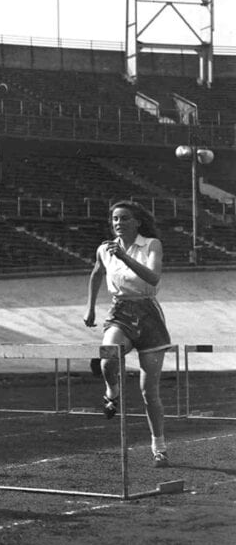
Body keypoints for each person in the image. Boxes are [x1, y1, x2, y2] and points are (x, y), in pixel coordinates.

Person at [83, 200, 172, 468]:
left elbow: (153, 278)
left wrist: (125, 258)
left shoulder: (152, 245)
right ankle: (112, 392)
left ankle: (159, 447)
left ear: (137, 222)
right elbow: (96, 274)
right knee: (108, 355)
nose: (118, 223)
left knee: (149, 392)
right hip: (120, 310)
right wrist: (90, 309)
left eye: (123, 218)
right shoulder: (105, 249)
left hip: (149, 315)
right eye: (114, 219)